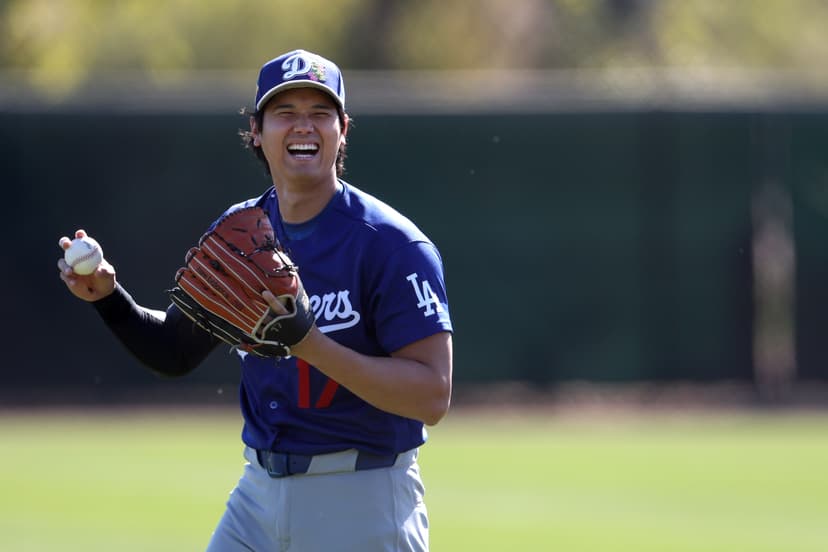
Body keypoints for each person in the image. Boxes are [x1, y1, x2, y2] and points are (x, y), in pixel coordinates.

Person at [57, 49, 453, 551]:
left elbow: (432, 396)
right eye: (285, 113)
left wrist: (309, 344)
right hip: (257, 496)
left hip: (362, 495)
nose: (303, 126)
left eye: (320, 113)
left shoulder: (391, 244)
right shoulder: (242, 233)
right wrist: (109, 298)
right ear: (257, 131)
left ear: (343, 129)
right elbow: (173, 352)